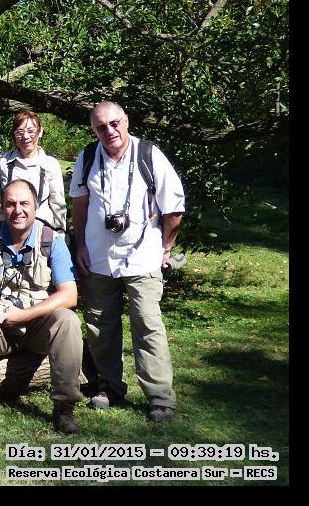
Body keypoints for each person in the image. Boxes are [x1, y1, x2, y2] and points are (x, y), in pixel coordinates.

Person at [70, 101, 184, 423]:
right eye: (101, 127)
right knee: (100, 327)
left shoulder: (149, 154)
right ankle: (109, 387)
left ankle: (160, 398)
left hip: (143, 259)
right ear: (94, 130)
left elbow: (174, 208)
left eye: (114, 123)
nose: (110, 131)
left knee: (148, 326)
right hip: (98, 258)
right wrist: (80, 245)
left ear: (127, 121)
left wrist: (164, 248)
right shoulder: (87, 157)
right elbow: (80, 206)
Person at [0, 179, 83, 438]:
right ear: (2, 207)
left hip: (37, 325)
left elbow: (70, 295)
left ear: (36, 207)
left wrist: (23, 315)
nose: (18, 210)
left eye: (24, 203)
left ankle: (65, 407)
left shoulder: (51, 240)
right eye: (10, 204)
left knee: (68, 320)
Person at [0, 110, 67, 233]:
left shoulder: (50, 164)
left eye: (31, 131)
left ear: (40, 132)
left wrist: (60, 233)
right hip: (7, 230)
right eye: (20, 132)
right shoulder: (3, 161)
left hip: (41, 231)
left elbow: (58, 204)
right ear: (14, 135)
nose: (25, 137)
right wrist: (3, 209)